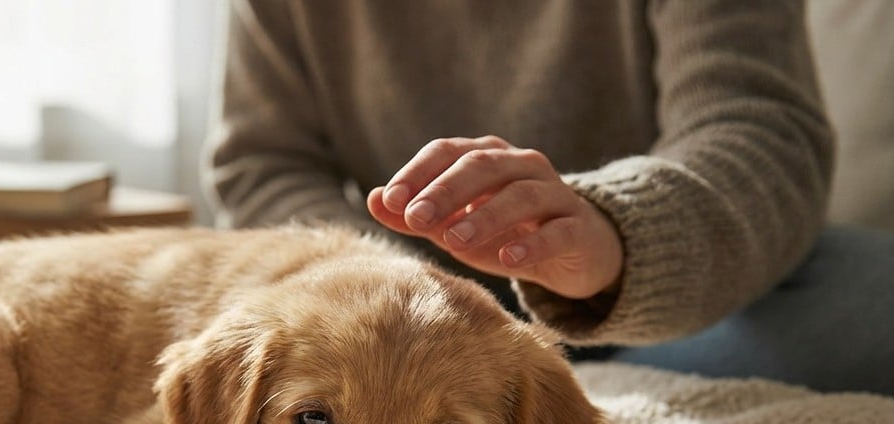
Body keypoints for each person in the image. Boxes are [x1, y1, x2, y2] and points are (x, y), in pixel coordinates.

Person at [205, 0, 894, 395]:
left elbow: (760, 130)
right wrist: (383, 289)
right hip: (401, 321)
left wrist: (617, 235)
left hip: (686, 299)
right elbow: (262, 162)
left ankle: (547, 394)